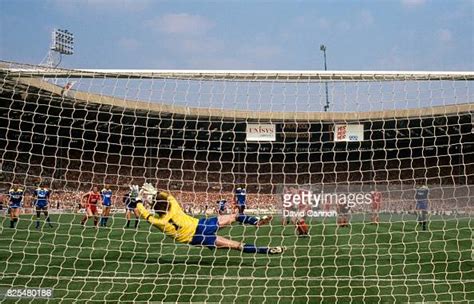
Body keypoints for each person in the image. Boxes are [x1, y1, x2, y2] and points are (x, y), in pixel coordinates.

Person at [136, 183, 284, 254]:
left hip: (196, 238)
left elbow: (144, 214)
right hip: (201, 226)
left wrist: (137, 201)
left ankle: (268, 250)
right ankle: (256, 222)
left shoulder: (158, 221)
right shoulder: (173, 205)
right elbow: (167, 196)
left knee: (236, 245)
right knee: (236, 216)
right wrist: (155, 192)